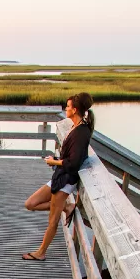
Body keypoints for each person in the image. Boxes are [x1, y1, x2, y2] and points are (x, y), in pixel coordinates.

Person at [21, 92, 94, 260]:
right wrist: (56, 161)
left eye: (67, 107)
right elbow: (70, 157)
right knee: (30, 204)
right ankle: (66, 207)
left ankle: (41, 253)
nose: (65, 109)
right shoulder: (74, 127)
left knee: (53, 219)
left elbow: (74, 163)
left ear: (75, 110)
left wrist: (55, 162)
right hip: (59, 176)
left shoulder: (81, 132)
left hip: (66, 180)